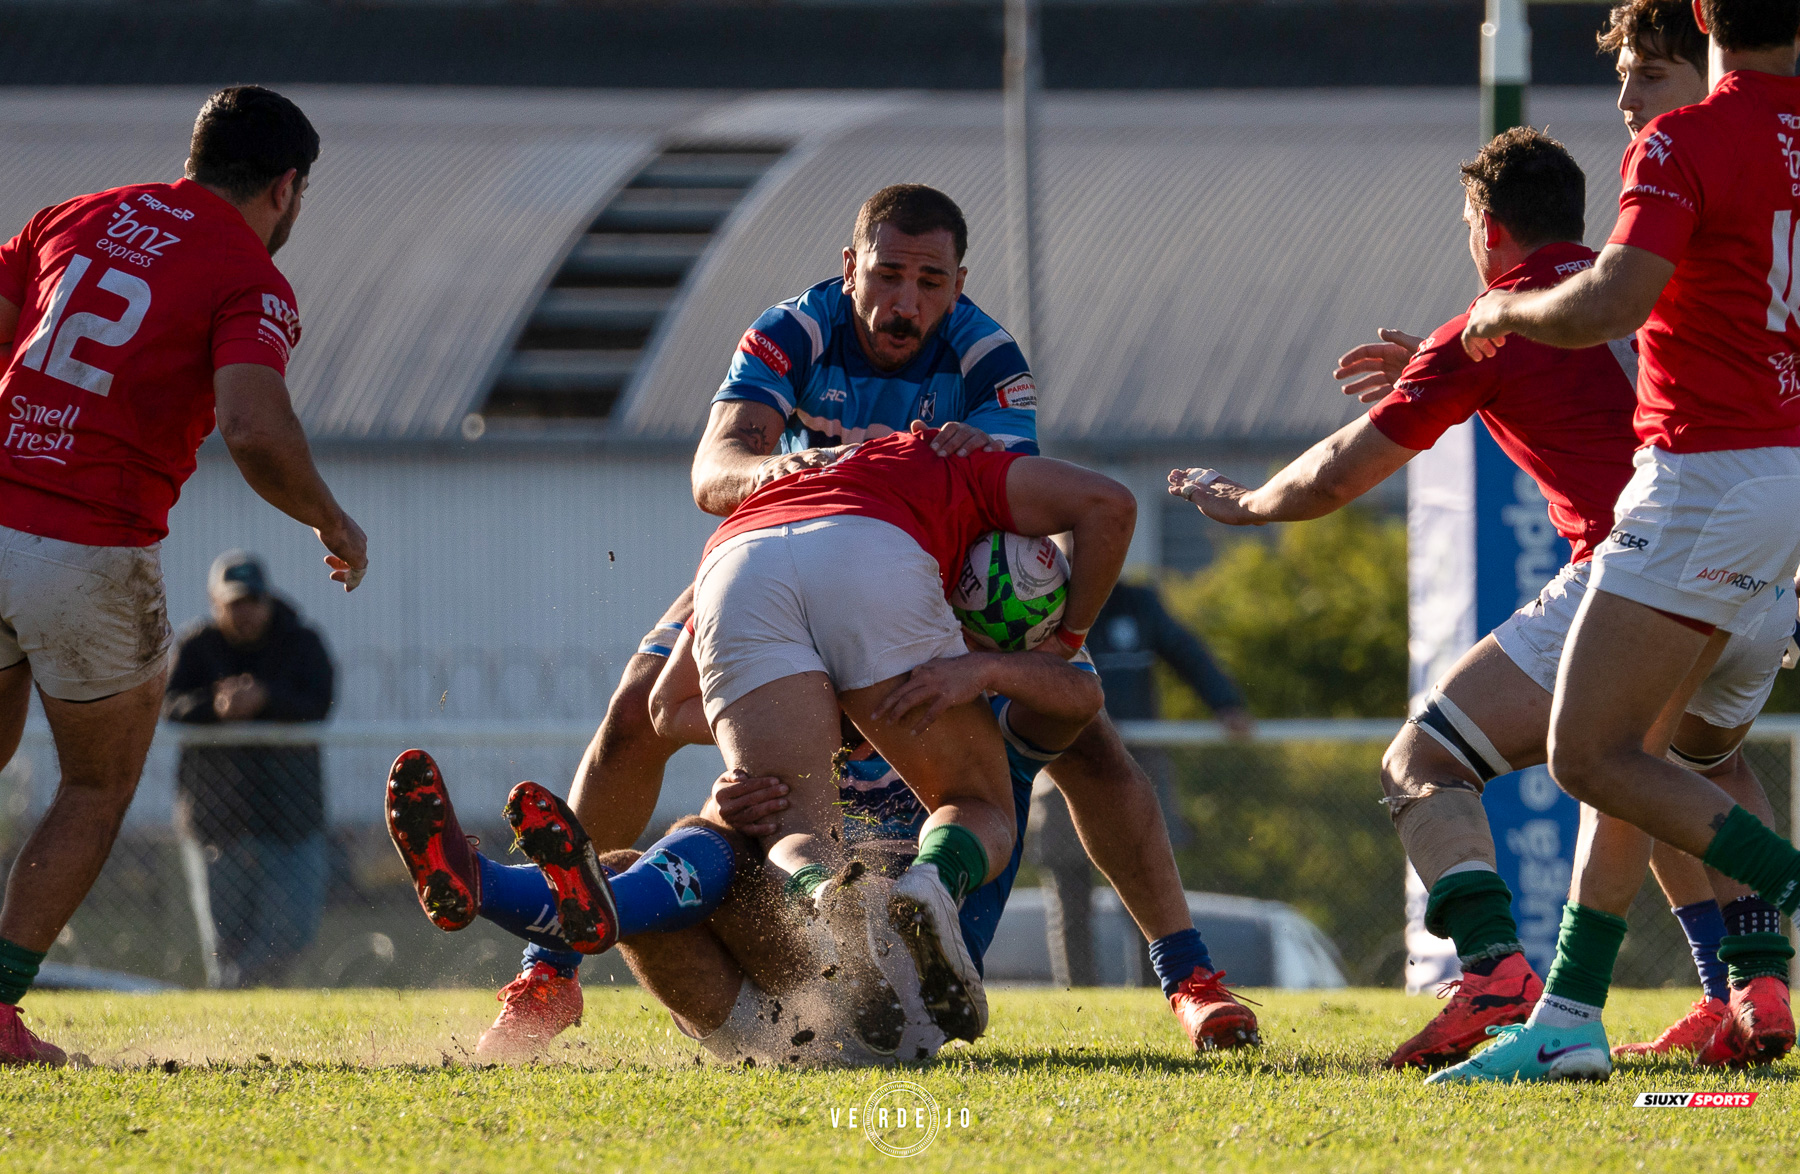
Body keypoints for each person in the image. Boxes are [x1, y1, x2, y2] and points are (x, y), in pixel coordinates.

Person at [470, 183, 1223, 1058]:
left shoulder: (987, 356)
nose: (907, 302)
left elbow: (1004, 516)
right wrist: (799, 476)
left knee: (1078, 729)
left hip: (922, 567)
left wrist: (1046, 648)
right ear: (849, 265)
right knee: (642, 712)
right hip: (786, 538)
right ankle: (548, 971)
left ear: (959, 282)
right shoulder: (794, 329)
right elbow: (715, 469)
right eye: (889, 274)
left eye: (930, 282)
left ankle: (1189, 977)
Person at [1173, 125, 1784, 1073]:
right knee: (1666, 773)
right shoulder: (1660, 278)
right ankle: (1747, 987)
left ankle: (1498, 973)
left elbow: (1339, 470)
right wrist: (1444, 360)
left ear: (1487, 225)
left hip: (1638, 574)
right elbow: (1595, 366)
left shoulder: (1494, 320)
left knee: (1425, 760)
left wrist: (1246, 504)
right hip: (1758, 573)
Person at [1424, 0, 1800, 1082]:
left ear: (1702, 16)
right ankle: (1573, 1019)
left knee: (1590, 752)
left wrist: (1501, 316)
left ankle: (1613, 994)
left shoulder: (1685, 140)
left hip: (1703, 479)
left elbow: (1605, 304)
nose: (1631, 97)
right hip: (1775, 484)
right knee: (1653, 755)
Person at [0, 86, 367, 1064]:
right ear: (286, 187)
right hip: (89, 543)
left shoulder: (71, 216)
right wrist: (330, 516)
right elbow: (251, 425)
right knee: (96, 780)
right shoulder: (248, 275)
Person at [1035, 581, 1252, 987]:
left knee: (1144, 885)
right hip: (1062, 761)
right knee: (1068, 892)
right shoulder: (1039, 603)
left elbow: (1187, 653)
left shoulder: (1138, 603)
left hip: (1137, 763)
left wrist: (1226, 703)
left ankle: (1161, 990)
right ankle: (1078, 995)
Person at [165, 550, 336, 988]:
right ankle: (233, 1017)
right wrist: (217, 708)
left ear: (267, 599)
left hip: (291, 812)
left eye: (252, 602)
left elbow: (319, 701)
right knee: (226, 938)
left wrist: (264, 700)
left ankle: (237, 989)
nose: (245, 613)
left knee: (293, 930)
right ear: (215, 603)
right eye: (234, 604)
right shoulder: (196, 646)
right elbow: (169, 705)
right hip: (216, 816)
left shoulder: (301, 642)